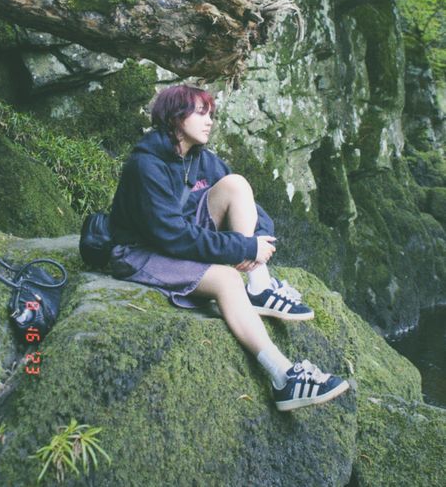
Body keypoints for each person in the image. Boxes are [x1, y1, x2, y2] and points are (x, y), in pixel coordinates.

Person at [109, 85, 349, 411]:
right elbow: (173, 237)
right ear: (175, 117)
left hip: (177, 236)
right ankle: (284, 378)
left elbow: (252, 209)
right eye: (201, 113)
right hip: (140, 250)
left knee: (236, 184)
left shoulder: (201, 158)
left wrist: (254, 243)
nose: (210, 121)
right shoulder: (146, 165)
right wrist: (241, 248)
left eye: (212, 114)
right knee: (226, 279)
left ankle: (260, 287)